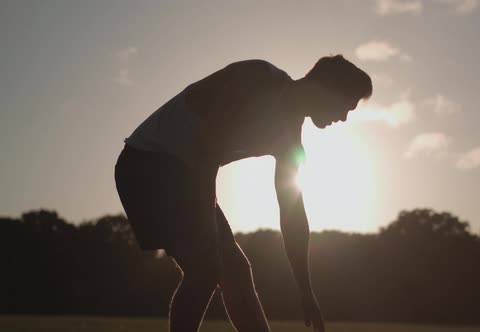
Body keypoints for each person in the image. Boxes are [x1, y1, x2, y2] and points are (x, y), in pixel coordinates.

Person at [114, 55, 372, 332]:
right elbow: (208, 146)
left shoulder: (291, 143)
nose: (344, 117)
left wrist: (305, 290)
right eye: (347, 105)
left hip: (184, 175)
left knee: (235, 272)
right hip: (148, 164)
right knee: (206, 269)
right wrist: (206, 221)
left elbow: (293, 213)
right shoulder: (258, 77)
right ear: (327, 88)